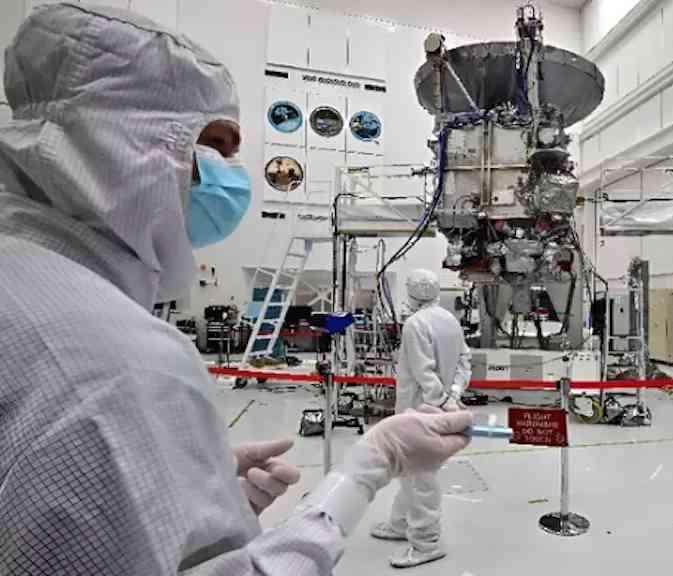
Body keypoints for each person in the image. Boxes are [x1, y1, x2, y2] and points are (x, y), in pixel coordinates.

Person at [0, 4, 472, 575]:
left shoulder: (26, 282)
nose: (233, 170)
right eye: (218, 147)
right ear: (132, 141)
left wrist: (195, 493)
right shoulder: (119, 361)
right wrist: (369, 465)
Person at [371, 268, 474, 568]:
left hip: (419, 410)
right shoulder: (449, 319)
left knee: (420, 478)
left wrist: (439, 399)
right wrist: (453, 394)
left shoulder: (415, 324)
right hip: (441, 408)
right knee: (411, 470)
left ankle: (427, 542)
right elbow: (464, 360)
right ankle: (400, 522)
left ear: (413, 290)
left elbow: (422, 371)